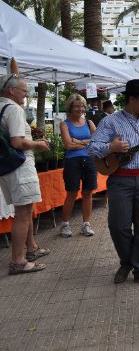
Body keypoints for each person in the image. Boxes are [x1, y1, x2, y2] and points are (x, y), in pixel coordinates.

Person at [87, 79, 139, 285]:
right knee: (118, 226)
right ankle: (127, 261)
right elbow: (93, 147)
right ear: (131, 99)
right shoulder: (110, 121)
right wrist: (111, 148)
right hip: (120, 179)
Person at [0, 74, 50, 274]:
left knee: (25, 210)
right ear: (11, 91)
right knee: (22, 214)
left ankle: (31, 248)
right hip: (20, 165)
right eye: (23, 90)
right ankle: (18, 261)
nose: (26, 94)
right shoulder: (13, 109)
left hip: (6, 167)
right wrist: (39, 144)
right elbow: (18, 142)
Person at [58, 94, 97, 237]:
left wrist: (79, 142)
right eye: (77, 106)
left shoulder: (89, 122)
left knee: (87, 193)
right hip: (72, 162)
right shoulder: (64, 124)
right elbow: (68, 145)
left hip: (90, 161)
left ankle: (86, 224)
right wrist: (87, 141)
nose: (80, 109)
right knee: (72, 193)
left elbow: (97, 141)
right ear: (70, 107)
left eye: (82, 106)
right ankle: (65, 224)